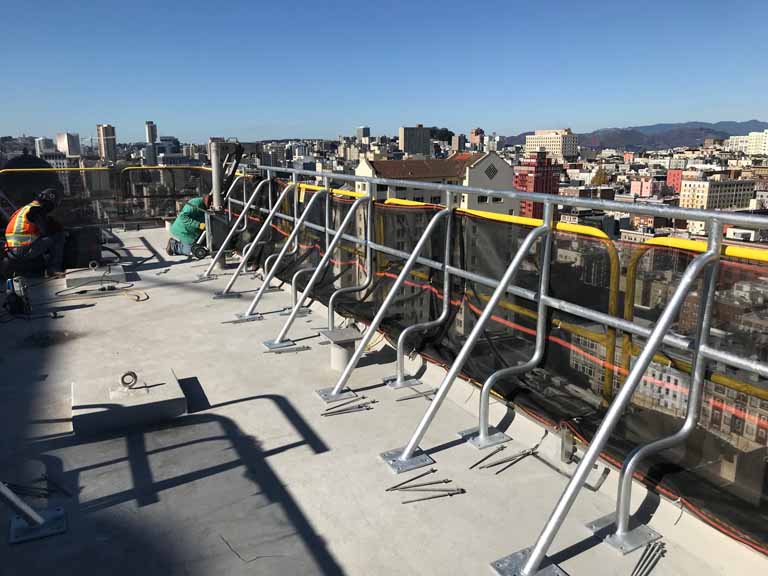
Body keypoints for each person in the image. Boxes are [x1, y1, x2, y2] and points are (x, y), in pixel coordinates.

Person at [3, 188, 65, 276]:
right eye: (52, 205)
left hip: (10, 252)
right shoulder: (37, 210)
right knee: (58, 236)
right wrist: (57, 227)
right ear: (48, 202)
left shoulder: (23, 209)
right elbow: (46, 231)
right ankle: (54, 269)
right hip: (23, 250)